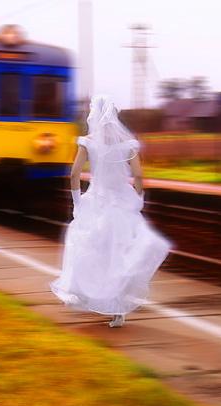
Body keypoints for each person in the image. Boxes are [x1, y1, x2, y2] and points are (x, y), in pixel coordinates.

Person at [50, 95, 171, 328]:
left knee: (88, 248)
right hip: (122, 201)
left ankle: (83, 293)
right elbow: (137, 176)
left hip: (97, 200)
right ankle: (118, 311)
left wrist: (77, 202)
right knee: (120, 254)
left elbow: (75, 175)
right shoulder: (128, 143)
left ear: (94, 115)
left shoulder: (88, 142)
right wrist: (138, 199)